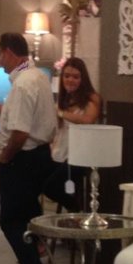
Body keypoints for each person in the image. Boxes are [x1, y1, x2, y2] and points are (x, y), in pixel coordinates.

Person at [0, 32, 57, 264]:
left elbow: (20, 132)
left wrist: (6, 157)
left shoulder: (22, 84)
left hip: (23, 159)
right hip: (40, 156)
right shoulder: (39, 76)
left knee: (11, 220)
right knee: (27, 216)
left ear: (9, 52)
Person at [43, 57, 102, 212]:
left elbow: (87, 120)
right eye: (67, 76)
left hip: (80, 155)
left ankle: (77, 213)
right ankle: (72, 218)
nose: (70, 80)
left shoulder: (92, 98)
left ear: (83, 79)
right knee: (40, 178)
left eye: (75, 77)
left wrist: (60, 113)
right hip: (60, 151)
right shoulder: (63, 100)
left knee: (51, 187)